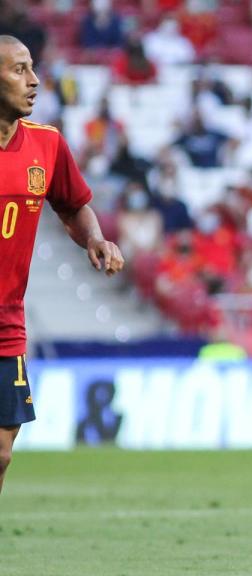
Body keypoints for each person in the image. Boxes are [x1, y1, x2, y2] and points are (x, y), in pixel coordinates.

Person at [0, 35, 124, 494]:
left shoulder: (47, 144)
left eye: (32, 68)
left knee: (2, 451)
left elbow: (72, 206)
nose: (34, 81)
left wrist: (94, 239)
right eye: (19, 70)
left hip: (6, 322)